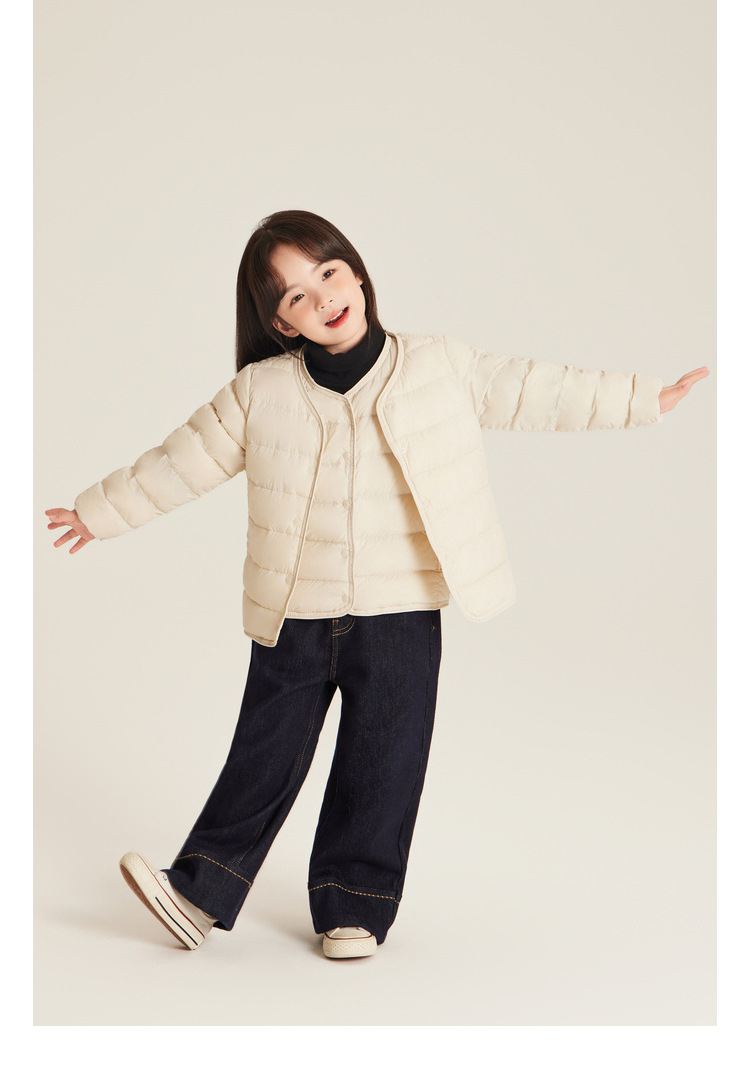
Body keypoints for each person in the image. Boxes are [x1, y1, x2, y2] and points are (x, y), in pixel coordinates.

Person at [45, 209, 709, 960]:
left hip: (401, 609)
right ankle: (198, 895)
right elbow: (180, 460)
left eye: (328, 273)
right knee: (263, 752)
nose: (321, 296)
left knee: (384, 757)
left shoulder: (439, 365)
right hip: (295, 607)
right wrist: (97, 513)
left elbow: (538, 390)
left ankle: (353, 906)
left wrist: (643, 400)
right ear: (281, 323)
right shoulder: (260, 392)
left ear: (357, 275)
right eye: (295, 295)